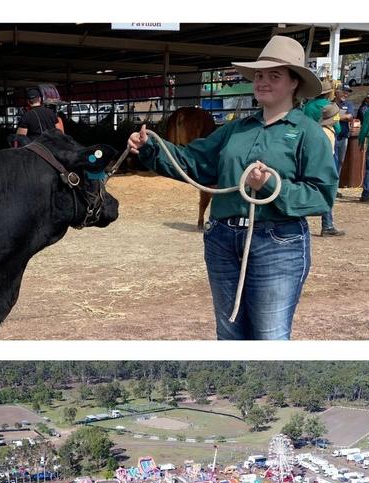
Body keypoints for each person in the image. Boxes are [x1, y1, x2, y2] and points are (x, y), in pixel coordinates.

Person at [126, 35, 337, 341]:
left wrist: (269, 186)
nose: (263, 82)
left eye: (274, 76)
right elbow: (193, 162)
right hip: (223, 239)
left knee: (270, 336)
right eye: (260, 75)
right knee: (228, 335)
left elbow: (321, 194)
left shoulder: (308, 133)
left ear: (294, 83)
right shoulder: (235, 130)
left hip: (277, 242)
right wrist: (151, 149)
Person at [316, 103, 345, 236]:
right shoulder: (326, 132)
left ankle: (328, 224)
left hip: (323, 165)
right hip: (324, 167)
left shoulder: (325, 129)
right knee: (327, 194)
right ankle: (327, 225)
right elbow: (326, 153)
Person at [332, 85, 355, 182]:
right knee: (332, 161)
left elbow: (350, 116)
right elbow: (328, 117)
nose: (346, 94)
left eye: (347, 92)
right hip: (333, 136)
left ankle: (336, 184)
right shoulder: (331, 103)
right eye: (344, 92)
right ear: (337, 92)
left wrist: (335, 116)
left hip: (344, 136)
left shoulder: (349, 104)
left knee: (340, 161)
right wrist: (342, 116)